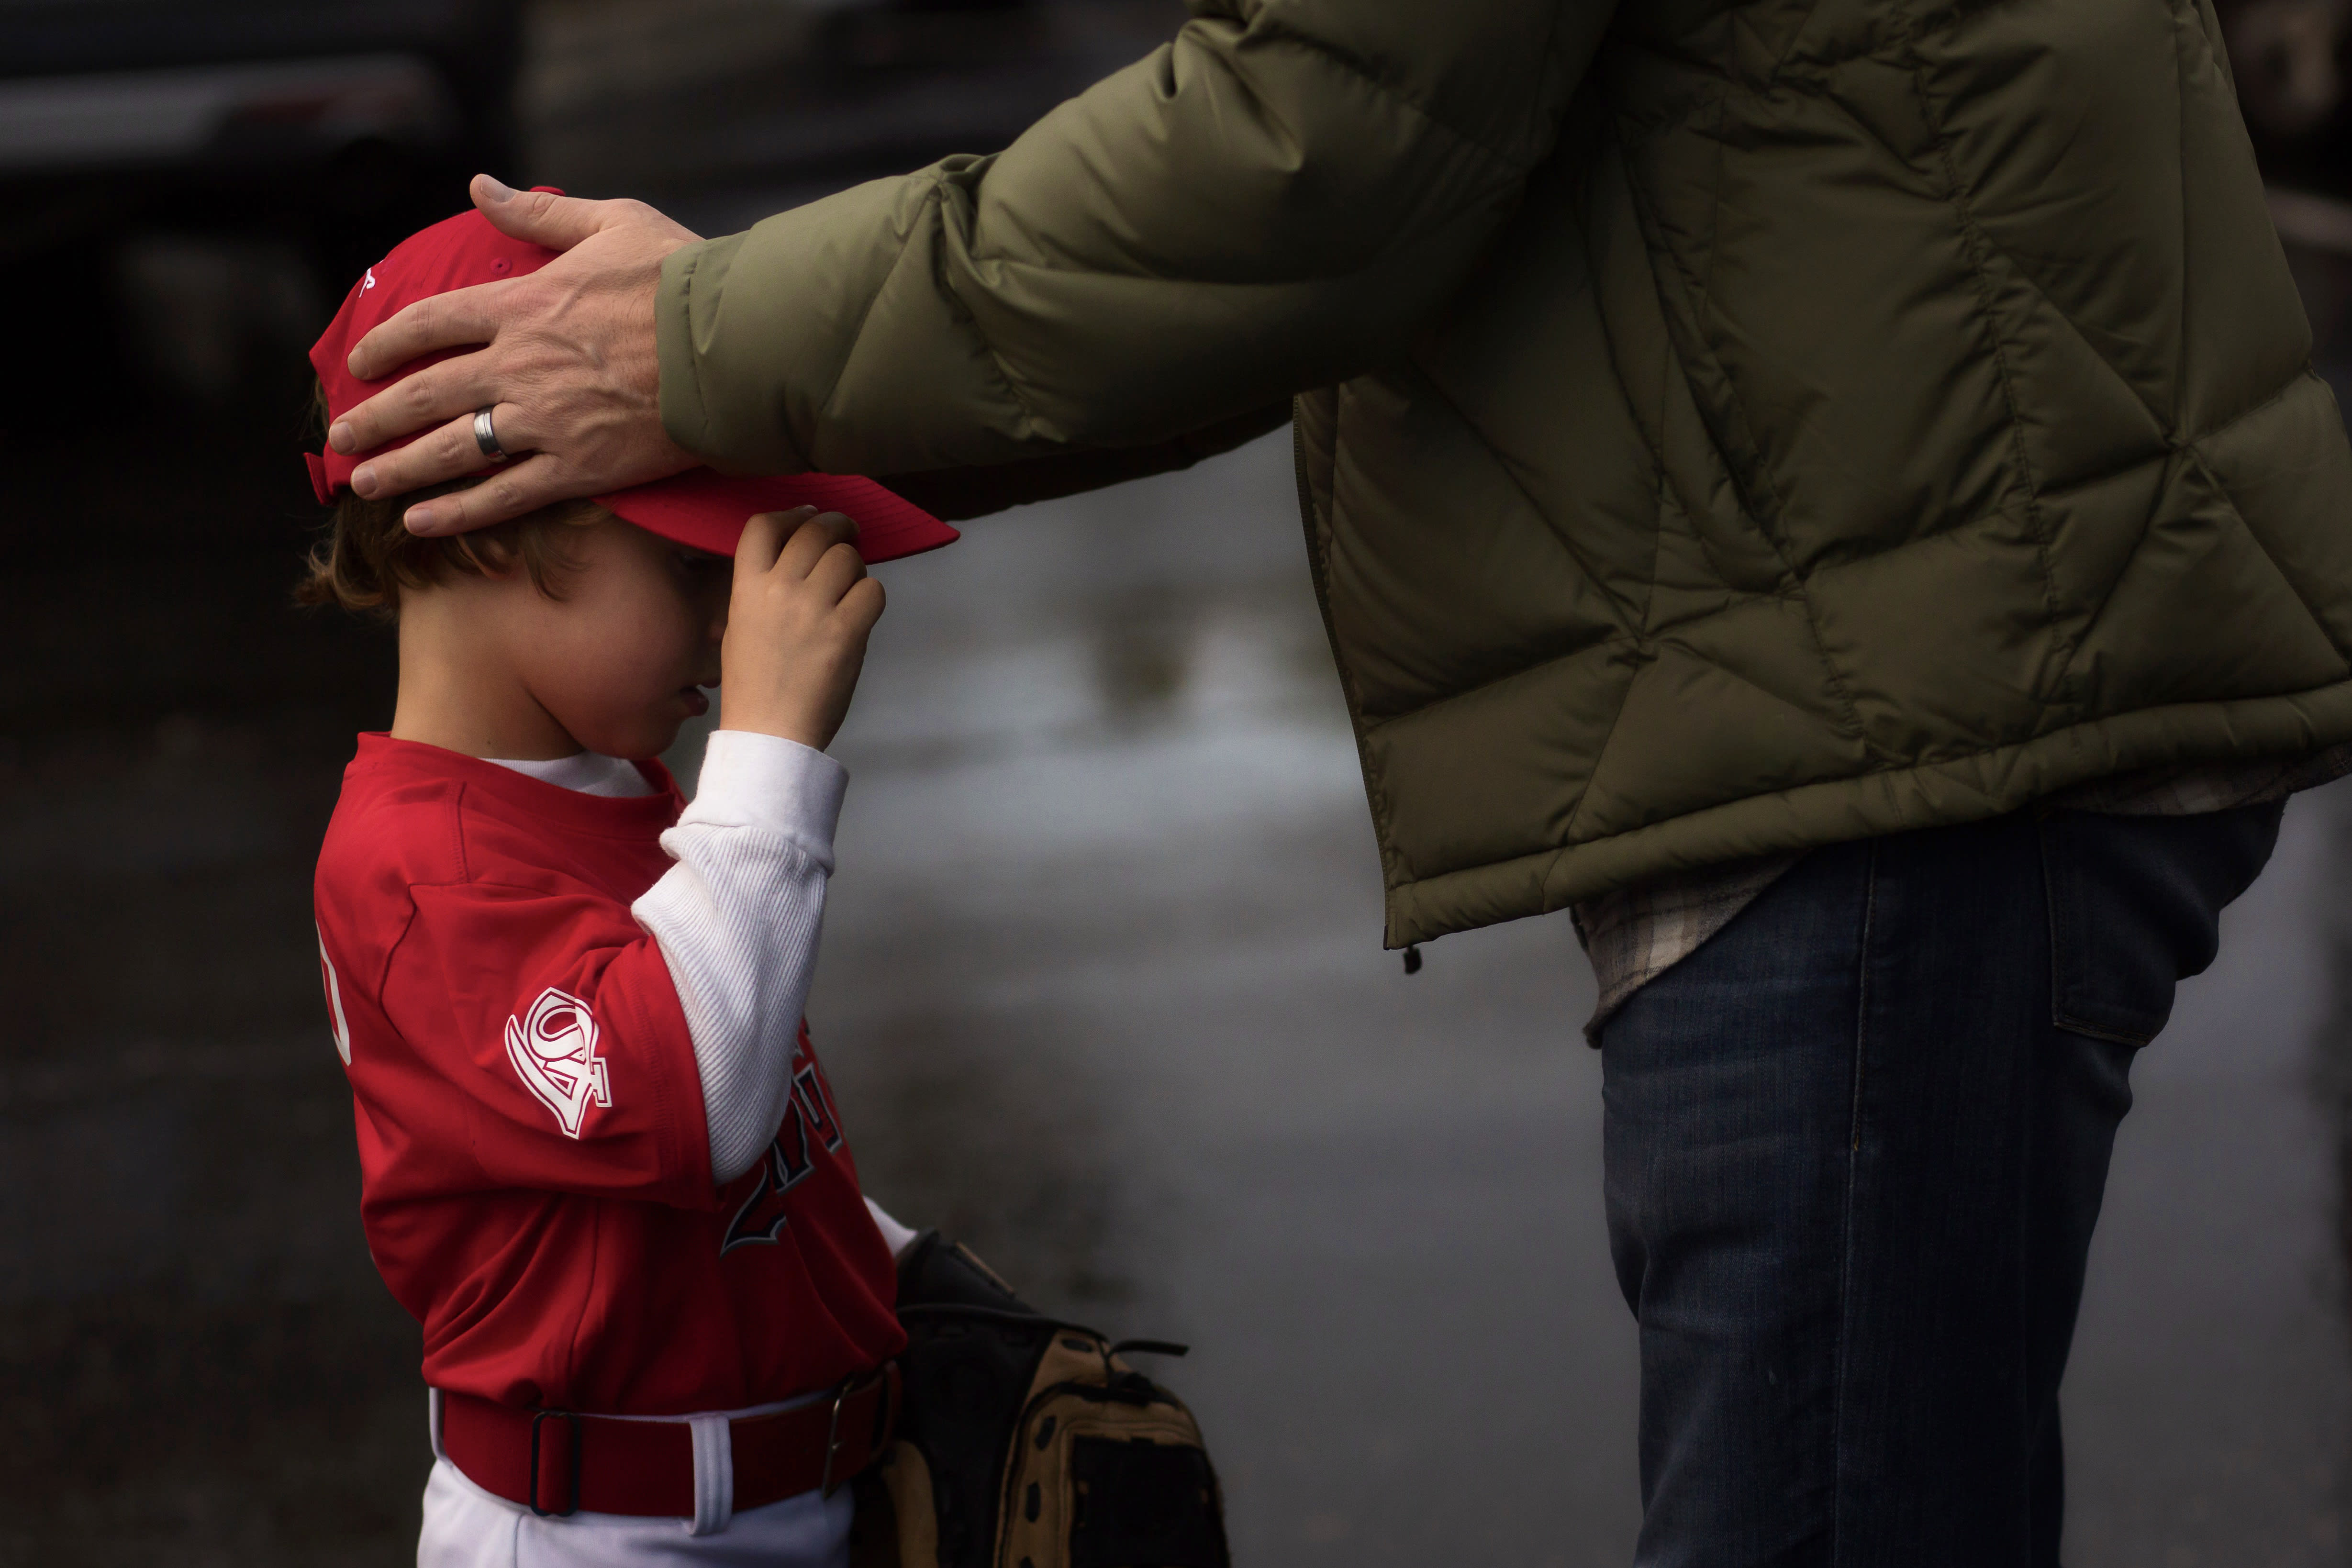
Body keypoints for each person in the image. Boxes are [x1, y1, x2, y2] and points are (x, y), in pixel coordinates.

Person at [311, 2, 2352, 1560]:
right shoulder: (439, 852)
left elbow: (1312, 161)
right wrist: (732, 384)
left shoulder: (611, 797)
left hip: (1894, 704)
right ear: (470, 540)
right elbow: (1341, 187)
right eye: (667, 540)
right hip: (1885, 667)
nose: (716, 584)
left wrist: (705, 350)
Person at [305, 206, 961, 1567]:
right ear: (485, 529)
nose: (729, 633)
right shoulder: (414, 869)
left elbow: (762, 1146)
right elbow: (695, 1100)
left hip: (793, 1497)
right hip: (596, 1532)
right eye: (687, 566)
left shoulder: (608, 786)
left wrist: (922, 1290)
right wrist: (769, 758)